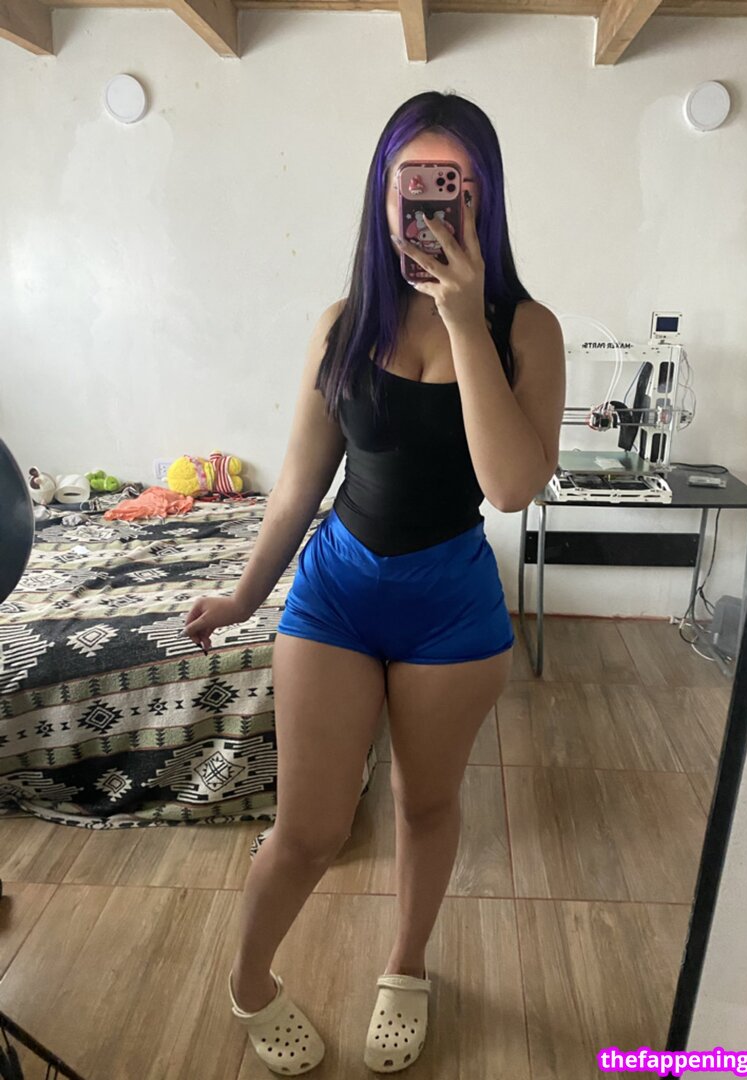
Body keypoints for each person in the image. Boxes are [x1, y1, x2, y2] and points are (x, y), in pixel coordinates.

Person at [184, 89, 565, 1075]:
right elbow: (299, 484)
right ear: (383, 193)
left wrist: (465, 320)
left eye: (454, 184)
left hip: (452, 607)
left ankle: (407, 967)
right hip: (339, 592)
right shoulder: (343, 324)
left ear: (482, 197)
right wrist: (243, 596)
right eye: (414, 183)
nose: (431, 204)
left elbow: (510, 487)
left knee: (426, 806)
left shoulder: (528, 330)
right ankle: (248, 982)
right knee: (307, 830)